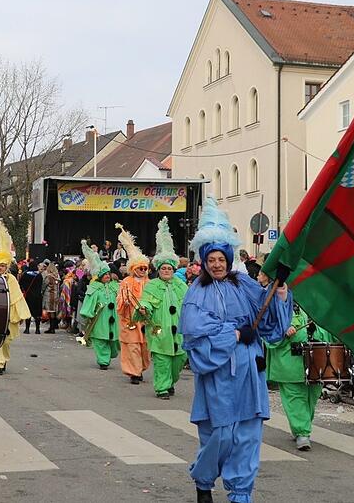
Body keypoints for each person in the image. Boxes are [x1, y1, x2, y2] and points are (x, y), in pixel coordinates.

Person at [179, 198, 291, 503]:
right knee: (221, 435)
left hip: (249, 373)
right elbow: (195, 335)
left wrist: (279, 290)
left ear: (229, 258)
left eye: (221, 258)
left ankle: (240, 493)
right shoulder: (196, 293)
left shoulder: (245, 284)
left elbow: (269, 323)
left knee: (248, 437)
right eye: (211, 259)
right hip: (218, 376)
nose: (217, 264)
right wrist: (235, 333)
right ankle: (204, 480)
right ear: (204, 260)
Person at [265, 304, 335, 451]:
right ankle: (302, 432)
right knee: (295, 398)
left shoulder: (316, 302)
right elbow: (267, 332)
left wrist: (316, 330)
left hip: (317, 361)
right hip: (289, 362)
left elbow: (330, 333)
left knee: (312, 397)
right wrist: (283, 332)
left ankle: (301, 427)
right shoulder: (275, 304)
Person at [135, 218, 188, 399]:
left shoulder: (181, 285)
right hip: (160, 330)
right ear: (158, 269)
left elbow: (190, 304)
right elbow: (146, 301)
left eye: (169, 268)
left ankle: (170, 381)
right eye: (163, 268)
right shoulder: (152, 285)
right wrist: (143, 309)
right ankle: (162, 388)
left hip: (179, 332)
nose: (166, 270)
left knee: (178, 361)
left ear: (173, 269)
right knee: (162, 362)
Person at [0, 228, 31, 375]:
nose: (0, 268)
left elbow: (16, 296)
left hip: (8, 313)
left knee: (6, 340)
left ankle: (3, 359)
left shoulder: (11, 279)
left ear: (6, 266)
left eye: (2, 266)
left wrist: (18, 315)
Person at [115, 223, 151, 385]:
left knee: (144, 347)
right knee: (132, 346)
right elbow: (120, 300)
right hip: (130, 319)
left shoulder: (150, 283)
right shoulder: (126, 282)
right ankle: (134, 372)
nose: (143, 270)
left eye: (145, 268)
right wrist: (126, 302)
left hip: (145, 320)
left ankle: (140, 368)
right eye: (140, 268)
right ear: (133, 268)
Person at [79, 240, 121, 369]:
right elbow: (89, 301)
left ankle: (109, 355)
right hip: (100, 318)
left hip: (114, 318)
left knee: (114, 342)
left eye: (108, 274)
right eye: (104, 275)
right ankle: (103, 361)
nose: (107, 276)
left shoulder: (115, 286)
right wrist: (88, 314)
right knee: (100, 339)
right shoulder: (94, 287)